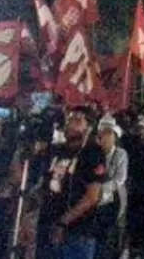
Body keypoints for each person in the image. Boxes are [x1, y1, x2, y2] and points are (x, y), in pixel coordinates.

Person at [37, 106, 107, 259]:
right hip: (47, 225)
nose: (70, 124)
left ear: (89, 127)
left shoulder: (93, 152)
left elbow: (92, 196)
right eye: (69, 119)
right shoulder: (56, 150)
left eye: (77, 120)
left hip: (77, 232)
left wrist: (63, 222)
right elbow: (44, 184)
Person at [95, 118, 128, 259]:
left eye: (110, 133)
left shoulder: (120, 154)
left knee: (109, 233)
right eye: (103, 133)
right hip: (94, 200)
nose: (106, 137)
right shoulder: (94, 152)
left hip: (113, 199)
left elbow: (120, 178)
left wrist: (101, 188)